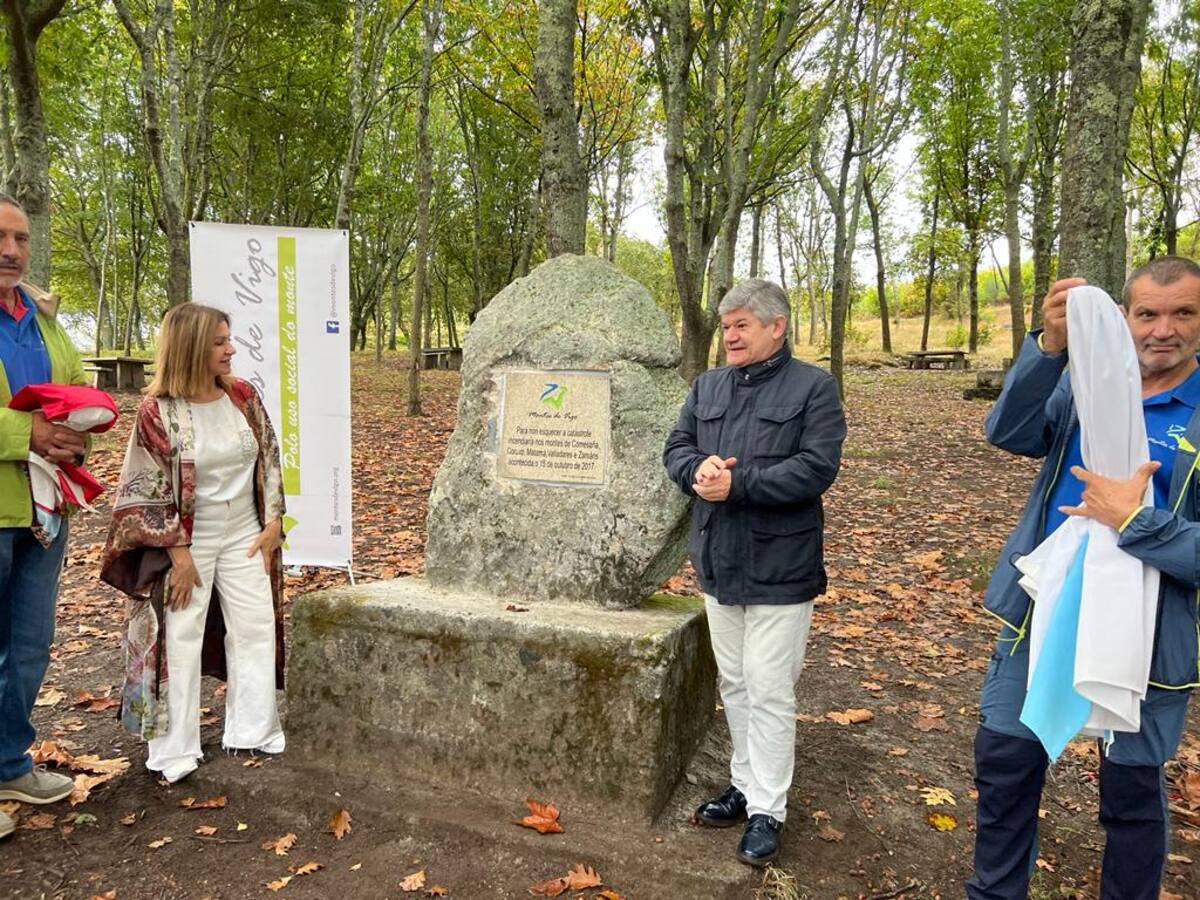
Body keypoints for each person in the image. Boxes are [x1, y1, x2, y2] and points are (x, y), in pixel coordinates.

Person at [969, 257, 1200, 900]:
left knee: (1130, 791)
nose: (1163, 329)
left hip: (1152, 633)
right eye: (1148, 313)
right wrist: (1048, 348)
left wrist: (1133, 519)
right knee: (1007, 761)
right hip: (1046, 610)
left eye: (1184, 313)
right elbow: (1009, 431)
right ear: (1124, 317)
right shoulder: (1088, 384)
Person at [663, 278, 846, 866]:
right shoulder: (708, 386)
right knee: (736, 683)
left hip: (780, 564)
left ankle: (769, 809)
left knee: (769, 688)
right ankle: (745, 786)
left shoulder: (814, 388)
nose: (732, 335)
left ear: (777, 326)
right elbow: (677, 446)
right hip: (718, 561)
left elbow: (816, 468)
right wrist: (698, 470)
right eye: (726, 325)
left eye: (743, 324)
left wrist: (738, 484)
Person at [100, 303, 287, 784]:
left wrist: (273, 522)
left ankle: (253, 727)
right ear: (190, 348)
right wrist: (178, 556)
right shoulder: (157, 412)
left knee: (255, 625)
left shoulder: (243, 396)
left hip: (246, 529)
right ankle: (174, 747)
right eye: (220, 342)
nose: (231, 349)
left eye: (230, 339)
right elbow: (144, 486)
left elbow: (269, 455)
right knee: (180, 637)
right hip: (190, 537)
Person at [0, 195, 88, 839]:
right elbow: (27, 424)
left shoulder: (42, 315)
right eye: (1, 238)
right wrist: (23, 435)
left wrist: (79, 433)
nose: (10, 250)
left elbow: (78, 385)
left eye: (21, 238)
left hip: (43, 507)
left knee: (29, 643)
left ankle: (9, 762)